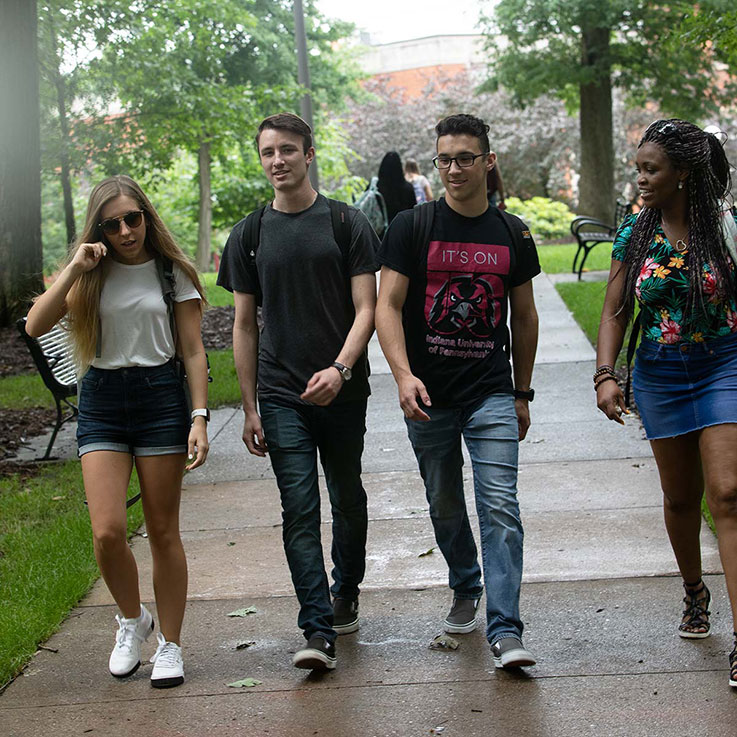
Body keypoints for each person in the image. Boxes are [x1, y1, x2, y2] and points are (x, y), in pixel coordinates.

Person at [25, 175, 210, 688]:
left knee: (163, 530)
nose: (126, 230)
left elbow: (193, 351)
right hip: (103, 399)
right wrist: (74, 270)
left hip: (160, 399)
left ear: (147, 217)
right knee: (107, 532)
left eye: (133, 218)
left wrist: (200, 416)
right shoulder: (90, 272)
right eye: (113, 223)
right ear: (99, 228)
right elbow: (35, 326)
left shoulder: (173, 274)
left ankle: (170, 644)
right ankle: (132, 620)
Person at [375, 113, 540, 670]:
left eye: (465, 158)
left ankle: (506, 630)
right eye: (445, 158)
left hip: (490, 391)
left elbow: (525, 315)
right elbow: (387, 306)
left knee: (500, 508)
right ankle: (465, 582)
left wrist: (522, 393)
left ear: (487, 161)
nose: (453, 168)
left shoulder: (512, 232)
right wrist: (402, 375)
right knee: (445, 502)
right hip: (428, 396)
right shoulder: (411, 226)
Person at [217, 112, 378, 672]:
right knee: (299, 509)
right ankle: (316, 628)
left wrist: (340, 368)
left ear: (309, 154)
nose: (277, 160)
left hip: (342, 390)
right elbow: (243, 324)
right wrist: (249, 405)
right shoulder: (249, 234)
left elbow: (367, 309)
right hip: (281, 393)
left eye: (287, 149)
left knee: (347, 495)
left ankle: (346, 591)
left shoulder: (346, 223)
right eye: (268, 152)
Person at [596, 119, 737, 688]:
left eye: (651, 169)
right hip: (659, 373)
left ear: (684, 173)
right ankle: (694, 591)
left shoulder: (725, 229)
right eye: (639, 168)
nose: (641, 178)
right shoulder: (636, 231)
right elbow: (614, 308)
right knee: (682, 499)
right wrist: (607, 375)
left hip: (723, 364)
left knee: (728, 494)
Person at [377, 151, 417, 224]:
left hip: (377, 231)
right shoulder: (408, 188)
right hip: (403, 230)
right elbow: (413, 212)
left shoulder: (375, 188)